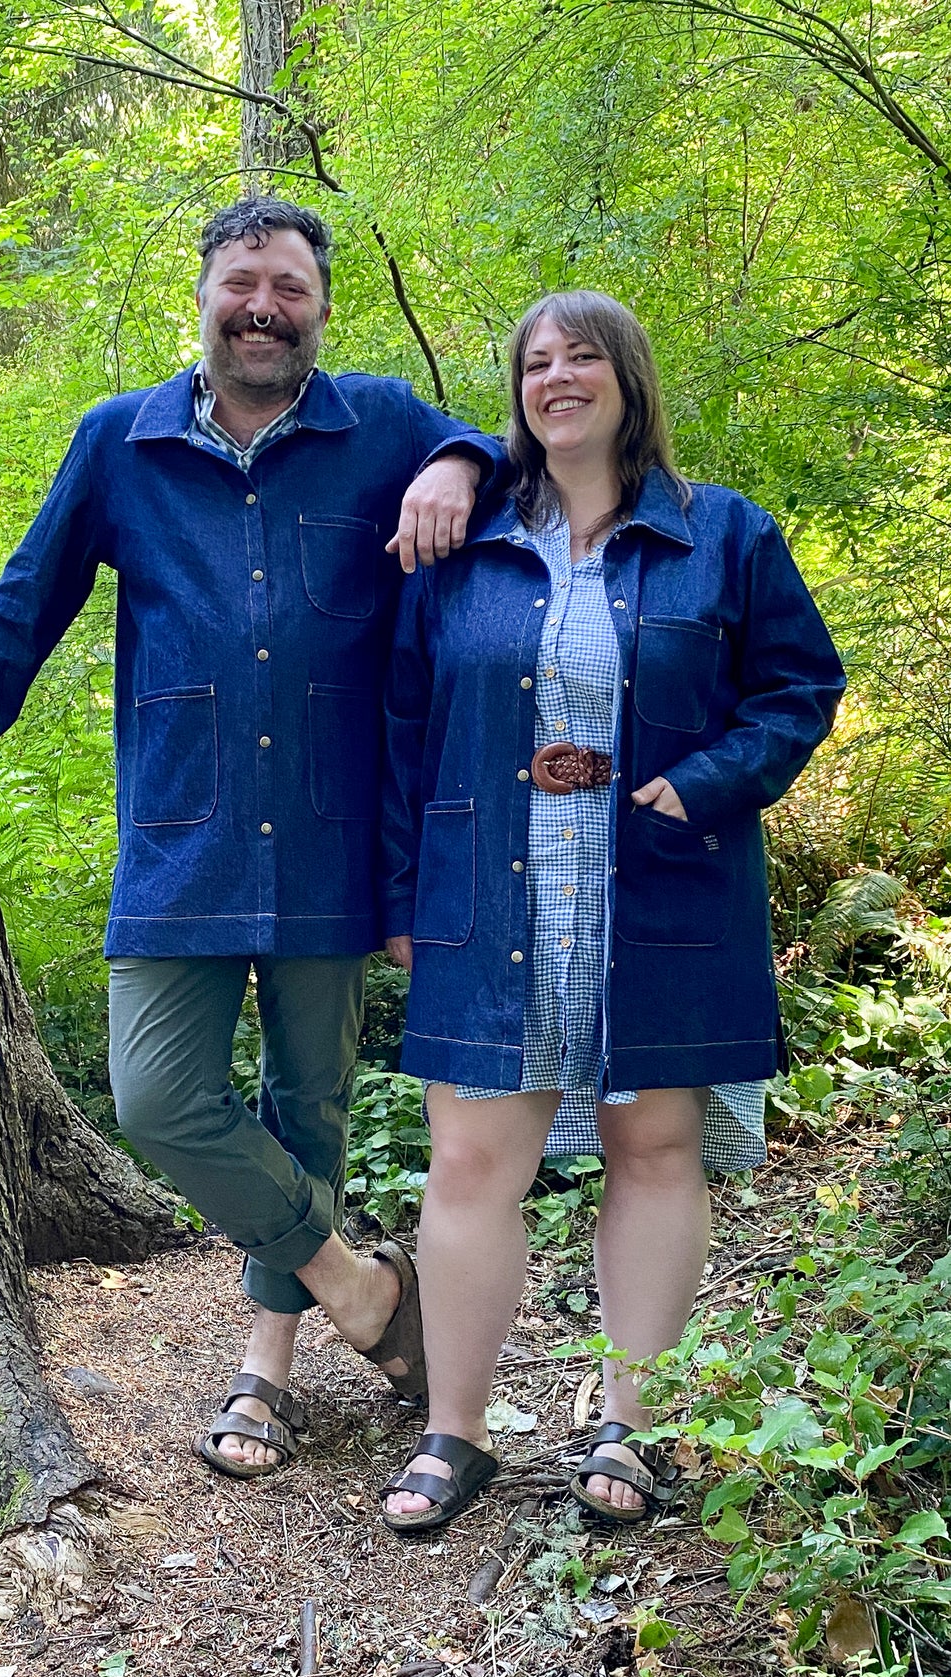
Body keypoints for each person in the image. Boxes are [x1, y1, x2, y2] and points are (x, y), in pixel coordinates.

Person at [0, 198, 508, 1479]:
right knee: (158, 1096)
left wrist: (459, 460)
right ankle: (363, 1289)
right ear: (202, 296)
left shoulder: (381, 432)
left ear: (319, 308)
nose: (264, 306)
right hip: (181, 839)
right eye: (241, 282)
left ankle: (264, 1374)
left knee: (305, 1105)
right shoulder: (120, 443)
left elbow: (509, 456)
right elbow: (30, 596)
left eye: (290, 288)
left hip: (327, 834)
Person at [376, 290, 845, 1532]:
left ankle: (631, 1427)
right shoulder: (463, 544)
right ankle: (454, 1434)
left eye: (583, 355)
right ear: (516, 395)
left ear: (628, 379)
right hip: (488, 892)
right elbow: (399, 728)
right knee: (472, 1161)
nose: (557, 376)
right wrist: (394, 894)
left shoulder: (724, 537)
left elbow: (798, 689)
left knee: (652, 1150)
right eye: (535, 361)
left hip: (661, 883)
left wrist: (701, 785)